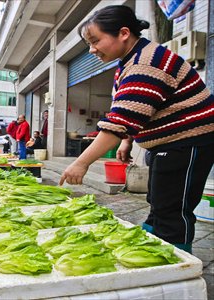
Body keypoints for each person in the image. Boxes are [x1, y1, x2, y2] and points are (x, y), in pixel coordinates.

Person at [59, 5, 214, 253]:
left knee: (172, 210)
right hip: (169, 142)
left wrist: (81, 162)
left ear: (123, 33)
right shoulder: (131, 60)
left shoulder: (146, 63)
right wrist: (127, 140)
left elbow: (120, 120)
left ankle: (177, 266)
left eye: (96, 40)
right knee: (159, 201)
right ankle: (153, 241)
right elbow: (137, 109)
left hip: (189, 140)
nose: (92, 49)